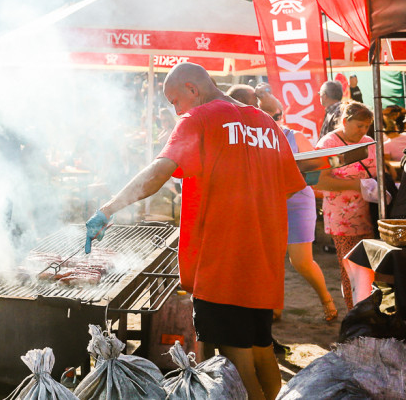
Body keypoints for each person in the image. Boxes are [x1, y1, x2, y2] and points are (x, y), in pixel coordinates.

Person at [85, 63, 304, 400]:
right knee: (262, 350)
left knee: (237, 364)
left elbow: (158, 173)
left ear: (192, 89)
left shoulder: (199, 119)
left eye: (175, 101)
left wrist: (107, 209)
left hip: (222, 260)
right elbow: (289, 186)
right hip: (263, 257)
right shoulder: (267, 124)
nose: (176, 111)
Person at [257, 92, 339, 322]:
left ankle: (326, 299)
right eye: (270, 115)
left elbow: (315, 174)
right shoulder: (253, 139)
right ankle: (275, 308)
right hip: (268, 203)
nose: (276, 119)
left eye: (279, 115)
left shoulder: (296, 137)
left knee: (300, 260)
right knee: (271, 259)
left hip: (297, 203)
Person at [315, 101, 377, 312]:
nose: (363, 131)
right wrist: (356, 185)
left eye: (366, 126)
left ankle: (368, 312)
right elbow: (320, 181)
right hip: (343, 220)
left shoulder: (369, 142)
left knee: (368, 270)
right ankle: (356, 316)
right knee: (351, 269)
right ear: (344, 121)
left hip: (370, 216)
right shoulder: (330, 144)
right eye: (359, 125)